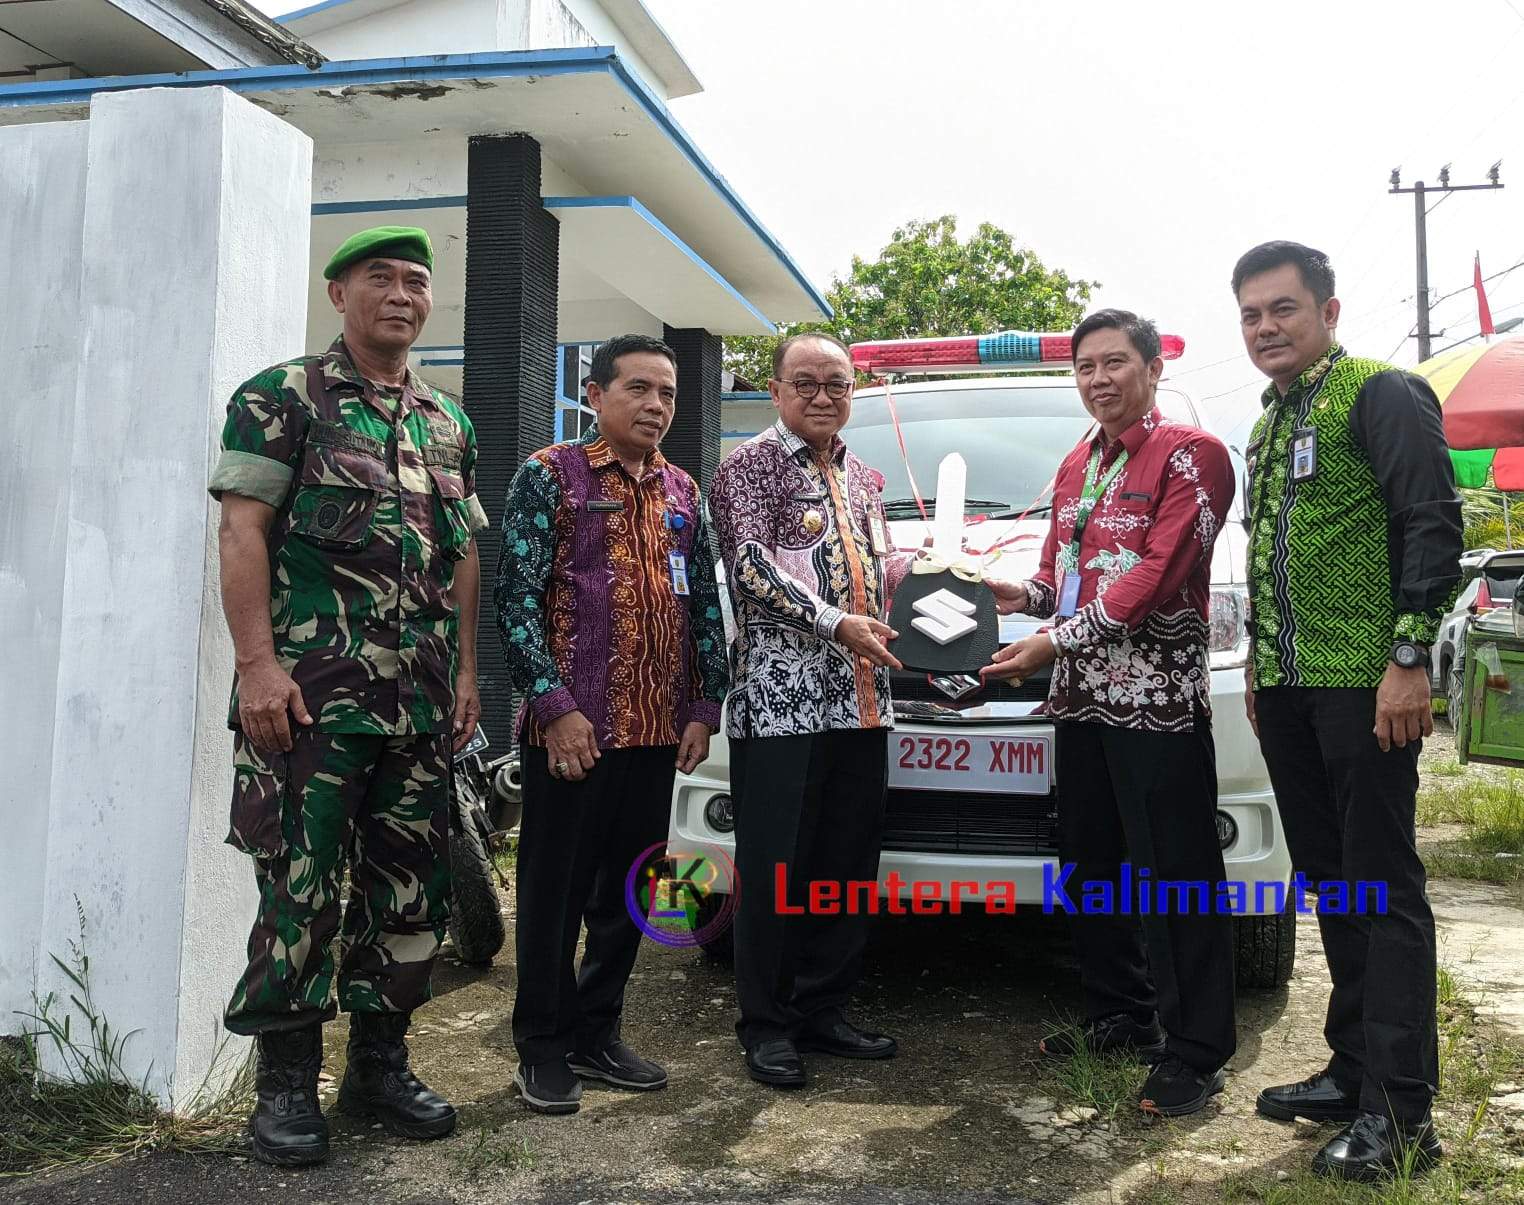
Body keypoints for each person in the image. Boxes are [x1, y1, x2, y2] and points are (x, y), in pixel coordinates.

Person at [210, 226, 485, 1166]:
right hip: (309, 705)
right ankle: (286, 1087)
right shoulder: (280, 398)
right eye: (381, 278)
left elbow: (464, 554)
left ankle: (380, 1065)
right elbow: (242, 530)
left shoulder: (448, 420)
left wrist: (470, 674)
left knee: (412, 891)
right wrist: (256, 664)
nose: (402, 295)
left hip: (419, 706)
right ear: (339, 293)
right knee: (301, 889)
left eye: (416, 281)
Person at [1233, 241, 1461, 1181]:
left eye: (1282, 309)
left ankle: (1402, 1116)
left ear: (1327, 308)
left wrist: (1407, 657)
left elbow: (1429, 521)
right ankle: (1352, 1068)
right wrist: (1256, 664)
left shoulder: (1382, 392)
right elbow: (1267, 556)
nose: (1265, 328)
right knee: (1333, 883)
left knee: (1384, 886)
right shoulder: (1267, 420)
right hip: (1286, 685)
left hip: (1366, 684)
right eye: (1249, 315)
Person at [981, 309, 1236, 1118]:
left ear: (1152, 369)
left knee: (1178, 875)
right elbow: (1062, 580)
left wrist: (1053, 640)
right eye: (1086, 366)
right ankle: (1119, 1013)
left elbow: (1157, 576)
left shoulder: (1194, 457)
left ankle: (1196, 1049)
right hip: (1081, 704)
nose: (1098, 379)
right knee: (1093, 865)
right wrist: (1015, 596)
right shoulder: (1076, 464)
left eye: (1115, 363)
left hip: (1156, 707)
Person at [496, 334, 728, 1115]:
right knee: (554, 894)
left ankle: (598, 1032)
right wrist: (554, 707)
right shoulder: (549, 475)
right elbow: (516, 599)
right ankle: (542, 1046)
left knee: (630, 891)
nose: (656, 405)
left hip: (659, 730)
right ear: (594, 394)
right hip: (574, 733)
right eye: (638, 388)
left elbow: (700, 611)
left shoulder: (683, 492)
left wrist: (704, 706)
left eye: (666, 392)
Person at [708, 331, 907, 1089]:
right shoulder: (749, 465)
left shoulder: (863, 474)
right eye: (807, 383)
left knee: (844, 865)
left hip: (859, 704)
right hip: (781, 706)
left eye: (837, 384)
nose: (823, 396)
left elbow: (880, 567)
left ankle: (824, 1008)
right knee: (775, 871)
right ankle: (767, 1025)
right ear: (777, 387)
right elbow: (751, 568)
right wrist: (835, 624)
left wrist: (953, 579)